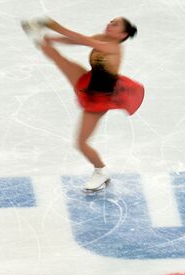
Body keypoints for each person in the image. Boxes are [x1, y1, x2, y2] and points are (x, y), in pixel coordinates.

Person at [21, 16, 145, 192]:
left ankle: (101, 171)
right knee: (53, 54)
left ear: (122, 34)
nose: (109, 24)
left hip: (100, 98)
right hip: (88, 81)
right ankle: (39, 40)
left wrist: (53, 25)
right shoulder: (102, 38)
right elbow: (75, 40)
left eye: (115, 24)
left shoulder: (113, 47)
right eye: (110, 21)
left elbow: (81, 39)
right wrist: (53, 39)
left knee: (81, 143)